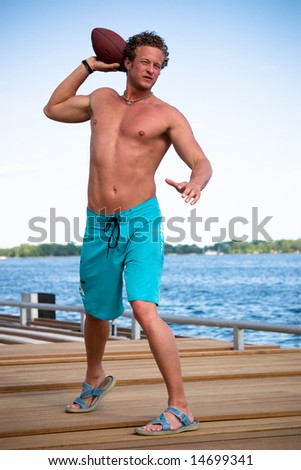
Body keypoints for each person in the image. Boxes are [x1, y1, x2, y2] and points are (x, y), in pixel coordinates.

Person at [44, 30, 212, 436]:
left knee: (143, 308)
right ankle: (95, 378)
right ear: (128, 61)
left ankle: (180, 407)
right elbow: (53, 108)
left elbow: (201, 160)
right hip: (99, 222)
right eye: (146, 62)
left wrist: (196, 182)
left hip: (141, 220)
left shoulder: (167, 114)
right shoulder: (101, 98)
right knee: (97, 311)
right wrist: (88, 66)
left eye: (158, 65)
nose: (152, 70)